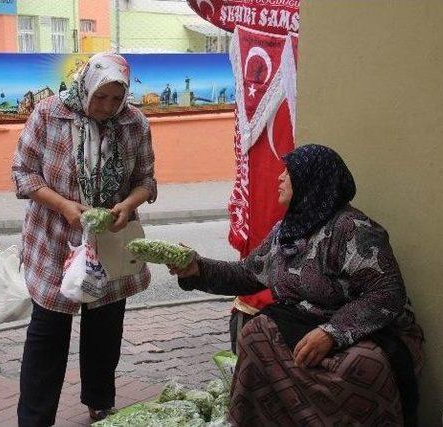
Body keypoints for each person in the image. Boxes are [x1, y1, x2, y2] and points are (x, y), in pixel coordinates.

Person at [170, 144, 425, 426]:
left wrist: (331, 333)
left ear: (312, 181)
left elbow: (386, 293)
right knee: (257, 334)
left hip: (363, 329)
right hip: (304, 322)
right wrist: (196, 268)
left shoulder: (352, 229)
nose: (280, 178)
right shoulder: (287, 230)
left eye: (289, 172)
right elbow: (247, 274)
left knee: (363, 364)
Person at [13, 53, 157, 426]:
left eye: (115, 98)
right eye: (100, 97)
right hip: (56, 237)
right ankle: (35, 417)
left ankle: (99, 400)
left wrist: (127, 204)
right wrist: (63, 206)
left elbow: (147, 179)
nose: (107, 107)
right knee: (48, 332)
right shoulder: (49, 114)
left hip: (109, 241)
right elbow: (24, 174)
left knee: (105, 328)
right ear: (86, 86)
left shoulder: (134, 122)